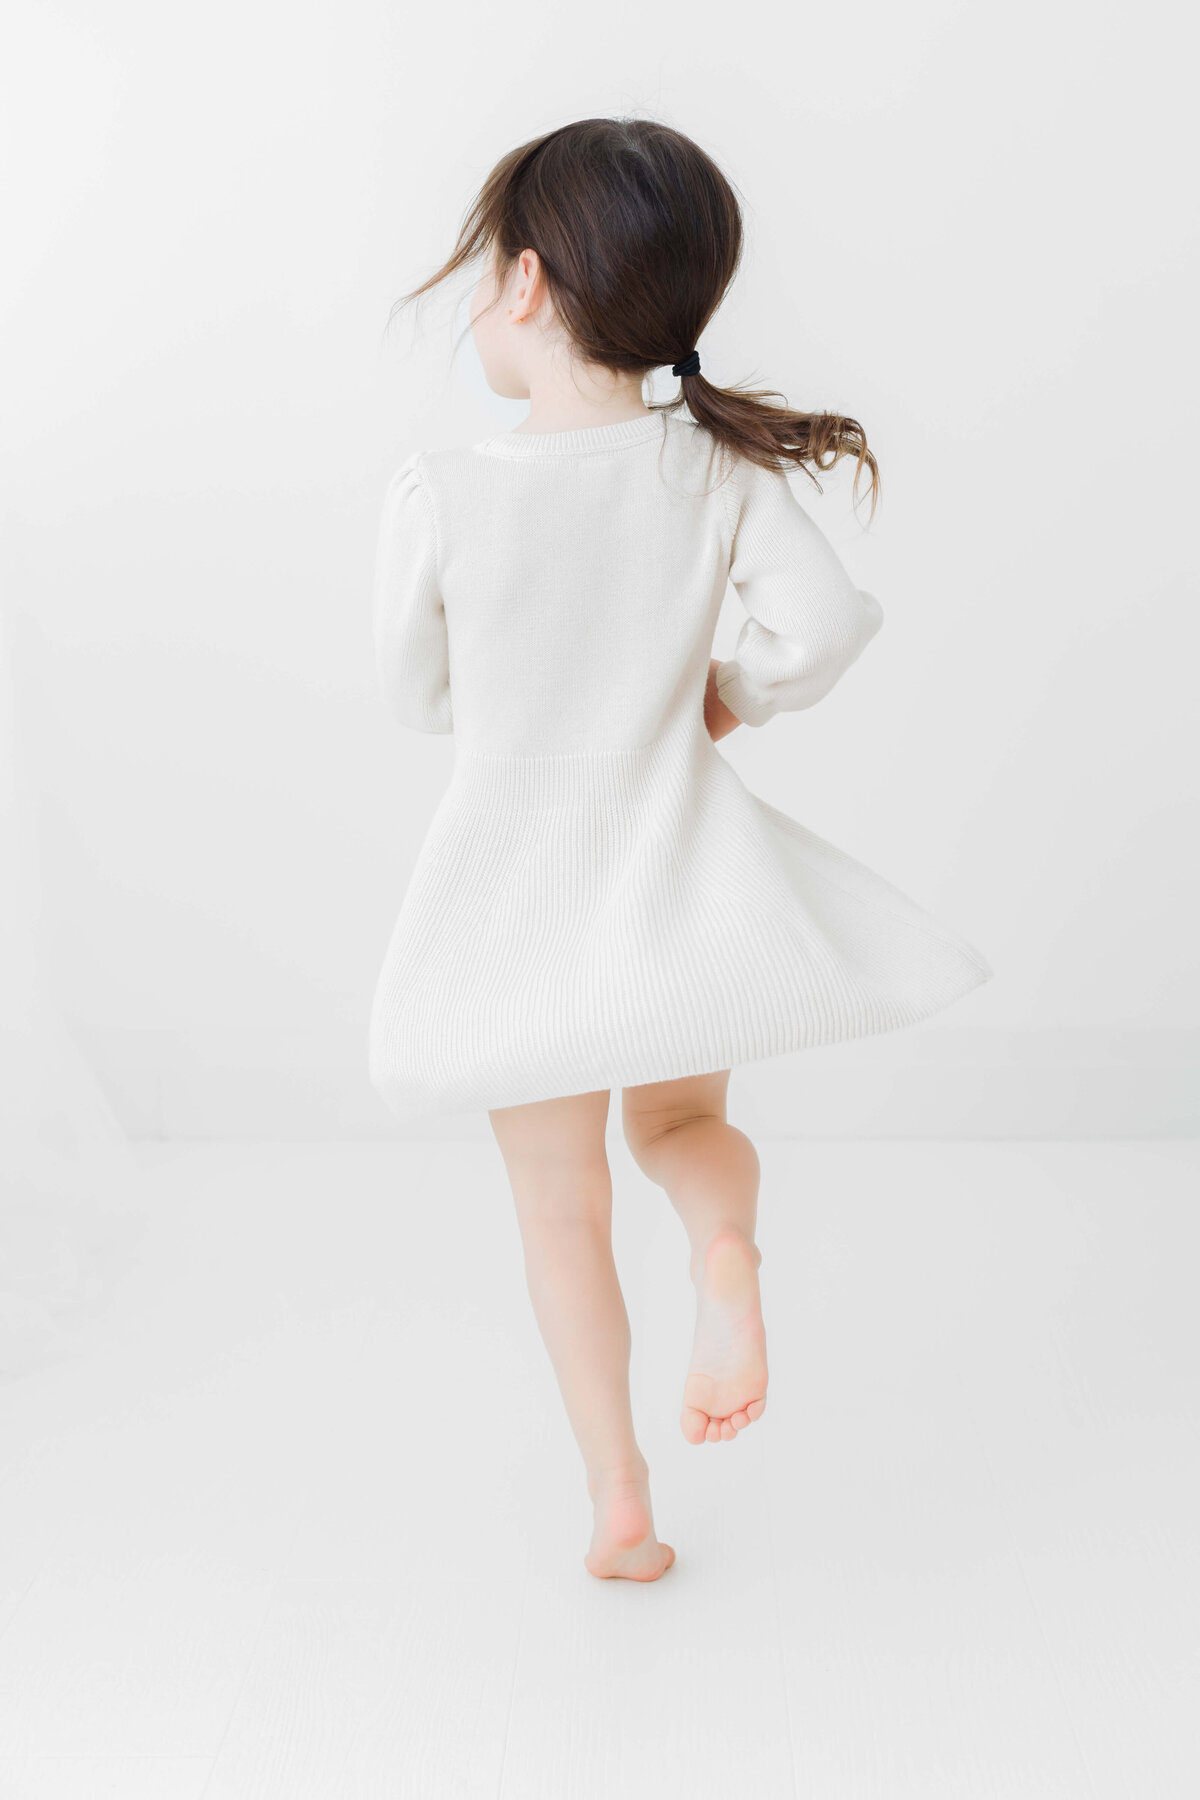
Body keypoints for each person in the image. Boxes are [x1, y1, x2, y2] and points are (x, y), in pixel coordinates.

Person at [368, 118, 993, 1583]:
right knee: (673, 1130)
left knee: (558, 1207)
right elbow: (825, 626)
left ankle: (622, 1503)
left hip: (514, 892)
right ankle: (726, 1249)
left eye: (477, 279)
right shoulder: (708, 472)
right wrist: (720, 697)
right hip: (673, 871)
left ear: (525, 284)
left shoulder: (444, 493)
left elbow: (413, 698)